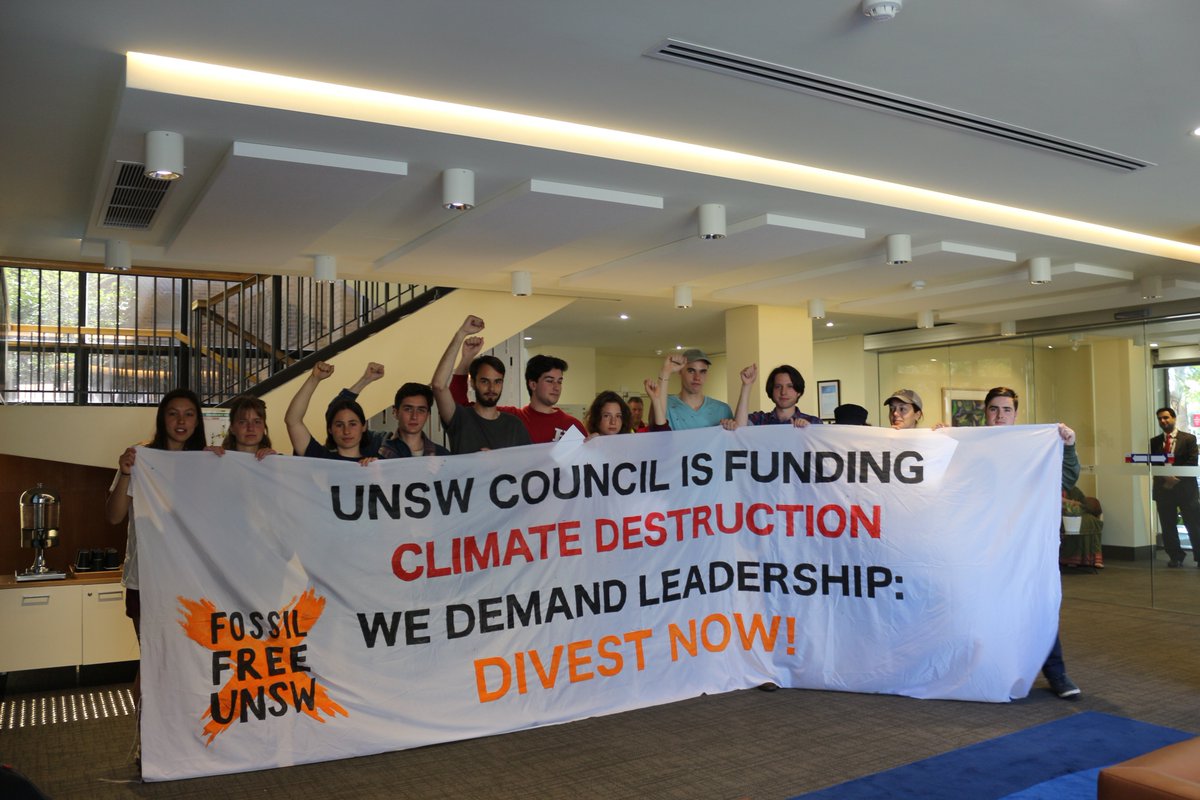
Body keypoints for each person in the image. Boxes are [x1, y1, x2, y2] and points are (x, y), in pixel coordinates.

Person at [983, 386, 1082, 699]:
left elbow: (1065, 479)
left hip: (1025, 545)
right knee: (981, 608)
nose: (1000, 415)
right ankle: (986, 670)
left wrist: (1068, 447)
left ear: (1016, 413)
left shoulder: (1030, 447)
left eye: (1007, 410)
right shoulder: (971, 445)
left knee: (1038, 605)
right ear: (985, 411)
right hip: (982, 545)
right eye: (994, 409)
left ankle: (1057, 673)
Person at [105, 388, 209, 637]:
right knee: (152, 662)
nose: (181, 421)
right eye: (173, 414)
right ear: (163, 418)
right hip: (146, 577)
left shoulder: (205, 463)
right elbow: (114, 516)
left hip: (191, 579)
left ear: (197, 421)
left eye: (189, 414)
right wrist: (126, 473)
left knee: (189, 662)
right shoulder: (139, 457)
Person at [450, 335, 586, 443]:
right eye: (549, 381)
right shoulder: (510, 418)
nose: (556, 387)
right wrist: (466, 358)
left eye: (559, 381)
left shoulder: (572, 426)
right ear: (532, 384)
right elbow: (459, 406)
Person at [432, 315, 532, 453]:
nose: (492, 388)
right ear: (472, 383)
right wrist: (461, 334)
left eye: (497, 382)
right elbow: (438, 385)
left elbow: (526, 465)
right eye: (485, 381)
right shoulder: (460, 418)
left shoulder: (515, 425)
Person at [285, 362, 374, 462]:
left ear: (364, 426)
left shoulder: (377, 463)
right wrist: (314, 379)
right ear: (330, 429)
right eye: (339, 425)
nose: (346, 431)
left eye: (352, 424)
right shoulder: (320, 457)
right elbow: (293, 420)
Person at [1150, 407, 1200, 567]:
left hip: (1186, 490)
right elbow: (1153, 463)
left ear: (1173, 418)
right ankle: (1175, 556)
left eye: (1166, 417)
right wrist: (1167, 478)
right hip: (1163, 489)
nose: (1163, 421)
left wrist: (1175, 478)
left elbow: (1192, 462)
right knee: (1168, 525)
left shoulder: (1189, 439)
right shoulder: (1154, 442)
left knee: (1194, 524)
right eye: (1160, 419)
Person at [734, 363, 822, 428]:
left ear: (798, 391)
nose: (783, 392)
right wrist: (747, 385)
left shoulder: (814, 423)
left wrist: (810, 432)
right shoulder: (760, 420)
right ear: (771, 391)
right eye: (778, 387)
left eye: (790, 386)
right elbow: (739, 429)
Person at [377, 382, 450, 458]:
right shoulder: (379, 455)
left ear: (428, 415)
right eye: (408, 409)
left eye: (421, 410)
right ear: (395, 412)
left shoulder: (442, 455)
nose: (414, 416)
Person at [666, 349, 733, 430]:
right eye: (691, 371)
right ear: (680, 371)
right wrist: (665, 372)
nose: (697, 377)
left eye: (702, 372)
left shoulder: (722, 410)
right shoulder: (666, 405)